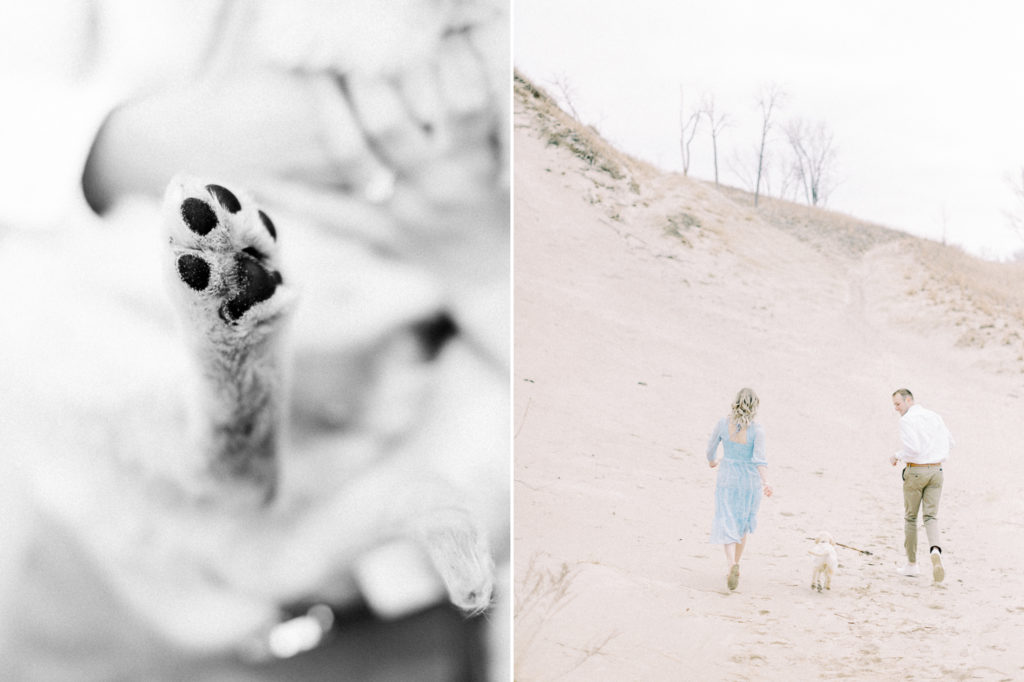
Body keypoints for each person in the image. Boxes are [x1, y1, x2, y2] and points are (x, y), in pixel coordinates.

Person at [706, 388, 773, 591]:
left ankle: (731, 564)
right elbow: (759, 459)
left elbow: (710, 448)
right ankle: (737, 563)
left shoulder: (722, 423)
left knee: (726, 519)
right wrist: (766, 482)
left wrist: (712, 461)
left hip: (727, 476)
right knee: (742, 522)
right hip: (749, 481)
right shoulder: (757, 430)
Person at [890, 388, 954, 582]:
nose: (896, 409)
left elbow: (913, 448)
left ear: (909, 400)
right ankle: (935, 550)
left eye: (898, 404)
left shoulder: (907, 420)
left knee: (910, 517)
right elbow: (951, 442)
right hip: (937, 471)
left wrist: (897, 455)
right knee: (931, 516)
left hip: (916, 471)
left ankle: (912, 564)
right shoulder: (934, 416)